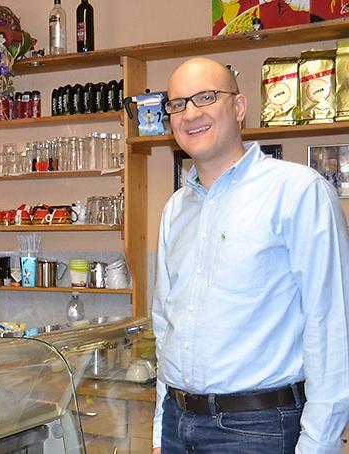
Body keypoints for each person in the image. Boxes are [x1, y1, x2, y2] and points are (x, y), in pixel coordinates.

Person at [151, 57, 349, 453]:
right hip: (178, 422)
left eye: (205, 97)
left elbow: (331, 328)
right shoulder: (176, 208)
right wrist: (161, 429)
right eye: (177, 104)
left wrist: (318, 445)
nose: (190, 113)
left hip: (258, 428)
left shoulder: (298, 192)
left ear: (239, 108)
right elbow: (165, 325)